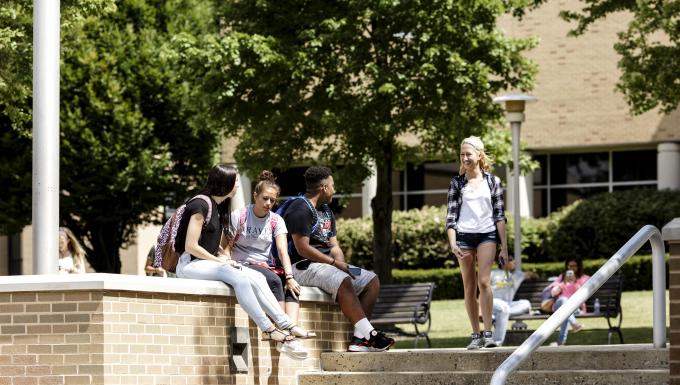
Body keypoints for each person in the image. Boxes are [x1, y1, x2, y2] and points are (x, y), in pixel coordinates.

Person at [174, 164, 312, 360]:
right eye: (236, 181)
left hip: (206, 263)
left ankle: (286, 324)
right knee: (238, 276)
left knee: (256, 276)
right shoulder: (200, 205)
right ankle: (268, 328)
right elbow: (190, 246)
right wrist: (221, 261)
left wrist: (221, 256)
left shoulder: (218, 207)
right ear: (225, 183)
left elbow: (213, 244)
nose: (238, 185)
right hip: (189, 265)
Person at [282, 166, 394, 352]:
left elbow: (334, 246)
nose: (335, 189)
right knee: (343, 280)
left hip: (327, 266)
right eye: (333, 185)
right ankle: (372, 335)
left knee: (371, 281)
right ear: (324, 187)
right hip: (302, 267)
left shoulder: (326, 210)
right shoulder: (300, 208)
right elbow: (303, 249)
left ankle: (359, 341)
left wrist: (340, 264)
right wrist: (334, 265)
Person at [229, 170, 315, 359]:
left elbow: (283, 251)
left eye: (272, 200)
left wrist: (291, 277)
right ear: (255, 196)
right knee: (274, 280)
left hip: (264, 264)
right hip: (241, 263)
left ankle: (290, 338)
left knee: (290, 286)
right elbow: (225, 247)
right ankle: (284, 335)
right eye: (265, 199)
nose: (269, 204)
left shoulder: (276, 221)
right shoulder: (239, 216)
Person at [446, 135, 509, 349]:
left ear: (479, 155)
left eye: (468, 154)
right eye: (462, 154)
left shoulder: (493, 182)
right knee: (469, 285)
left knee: (484, 281)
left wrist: (505, 248)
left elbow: (500, 216)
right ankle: (476, 335)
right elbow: (451, 218)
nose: (464, 158)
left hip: (487, 235)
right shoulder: (457, 183)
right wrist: (453, 244)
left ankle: (489, 333)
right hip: (463, 237)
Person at [489, 256, 532, 346]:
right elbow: (483, 291)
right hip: (493, 302)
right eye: (512, 260)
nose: (515, 262)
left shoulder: (517, 274)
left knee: (526, 303)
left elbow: (533, 275)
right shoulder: (493, 273)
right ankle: (497, 342)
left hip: (508, 304)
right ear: (503, 262)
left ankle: (495, 316)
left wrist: (530, 274)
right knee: (504, 309)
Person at [549, 257, 589, 345]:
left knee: (566, 311)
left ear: (579, 266)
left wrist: (575, 282)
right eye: (570, 266)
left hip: (575, 307)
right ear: (567, 266)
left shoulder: (584, 278)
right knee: (564, 301)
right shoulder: (562, 277)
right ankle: (574, 324)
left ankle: (561, 342)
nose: (572, 268)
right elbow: (553, 293)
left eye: (574, 266)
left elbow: (584, 294)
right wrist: (563, 283)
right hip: (559, 305)